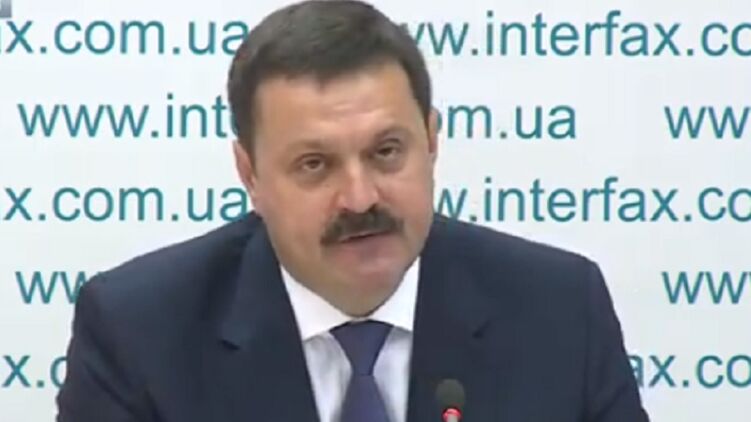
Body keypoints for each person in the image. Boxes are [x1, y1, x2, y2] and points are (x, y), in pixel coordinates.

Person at [56, 1, 650, 421]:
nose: (361, 198)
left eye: (386, 152)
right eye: (315, 164)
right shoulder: (140, 333)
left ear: (431, 142)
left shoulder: (558, 310)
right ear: (250, 175)